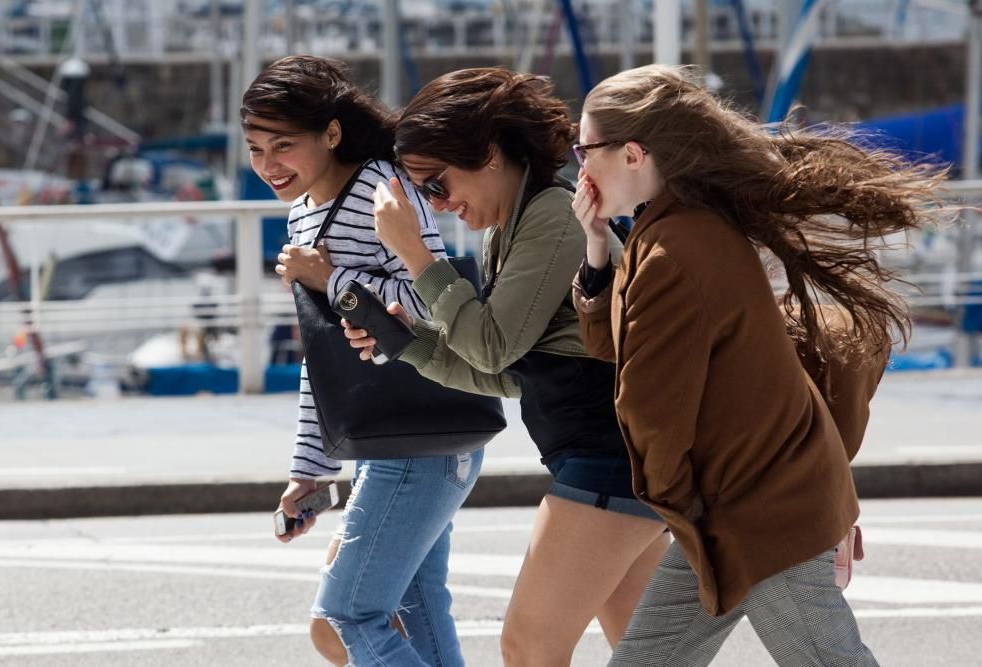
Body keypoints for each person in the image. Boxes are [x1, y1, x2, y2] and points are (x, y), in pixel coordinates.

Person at [569, 64, 948, 666]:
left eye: (584, 148)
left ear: (633, 153)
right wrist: (596, 246)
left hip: (760, 514)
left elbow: (651, 407)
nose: (579, 166)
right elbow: (620, 345)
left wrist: (672, 501)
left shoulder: (675, 249)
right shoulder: (674, 229)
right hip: (736, 507)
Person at [343, 67, 671, 666]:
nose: (440, 206)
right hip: (607, 455)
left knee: (528, 647)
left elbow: (492, 347)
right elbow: (509, 373)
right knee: (648, 654)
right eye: (425, 195)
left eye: (438, 184)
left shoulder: (549, 217)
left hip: (605, 457)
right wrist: (412, 342)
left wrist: (413, 250)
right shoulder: (512, 227)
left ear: (489, 155)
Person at [241, 55, 484, 666]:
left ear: (331, 133)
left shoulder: (384, 193)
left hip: (422, 432)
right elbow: (323, 357)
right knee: (417, 605)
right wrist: (310, 470)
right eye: (254, 148)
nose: (269, 166)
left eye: (283, 145)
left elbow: (438, 305)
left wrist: (333, 277)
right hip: (393, 437)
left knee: (349, 613)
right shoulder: (305, 211)